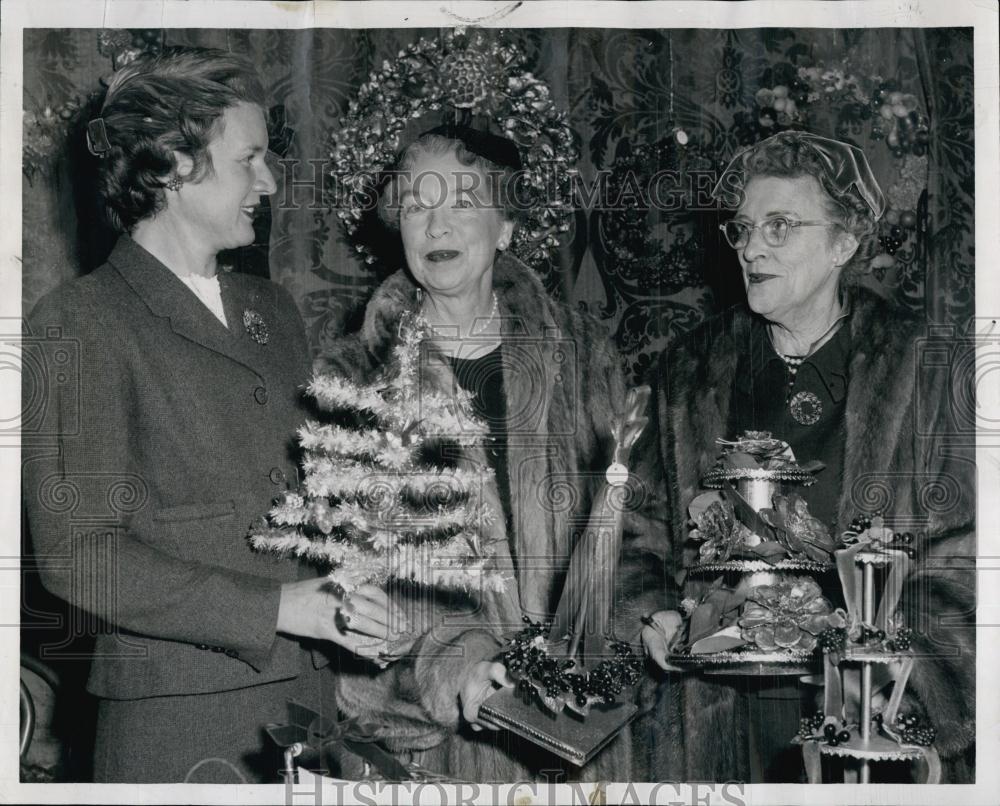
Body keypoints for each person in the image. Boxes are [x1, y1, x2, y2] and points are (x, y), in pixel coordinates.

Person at [20, 47, 401, 783]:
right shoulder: (80, 320)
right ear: (170, 165)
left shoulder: (274, 310)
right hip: (178, 722)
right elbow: (79, 555)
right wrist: (276, 608)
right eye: (249, 158)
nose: (268, 180)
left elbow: (298, 505)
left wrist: (346, 590)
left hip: (308, 707)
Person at [312, 125, 667, 781]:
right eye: (417, 205)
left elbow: (635, 526)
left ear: (505, 227)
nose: (436, 225)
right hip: (437, 750)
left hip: (586, 735)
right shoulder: (353, 377)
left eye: (462, 203)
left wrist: (631, 625)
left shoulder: (585, 352)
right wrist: (463, 664)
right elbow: (357, 576)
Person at [634, 131, 975, 783]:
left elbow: (967, 560)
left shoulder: (924, 371)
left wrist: (903, 672)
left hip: (871, 727)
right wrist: (654, 615)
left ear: (843, 243)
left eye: (781, 226)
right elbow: (636, 536)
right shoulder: (689, 373)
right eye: (743, 230)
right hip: (716, 721)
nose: (753, 247)